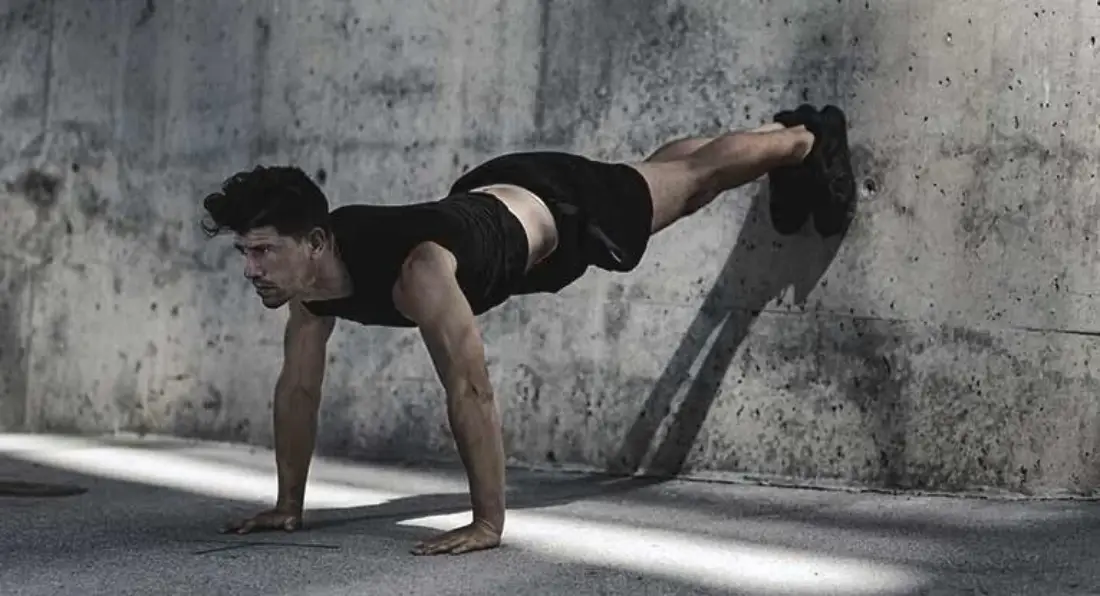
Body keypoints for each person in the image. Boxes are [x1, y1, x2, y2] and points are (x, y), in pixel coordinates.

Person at [202, 104, 855, 556]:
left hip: (558, 209)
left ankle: (804, 139)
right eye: (245, 254)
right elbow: (298, 392)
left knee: (688, 183)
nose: (251, 269)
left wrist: (488, 522)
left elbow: (471, 390)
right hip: (498, 203)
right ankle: (775, 144)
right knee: (664, 181)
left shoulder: (417, 271)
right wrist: (290, 505)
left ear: (314, 241)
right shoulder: (312, 284)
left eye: (262, 251)